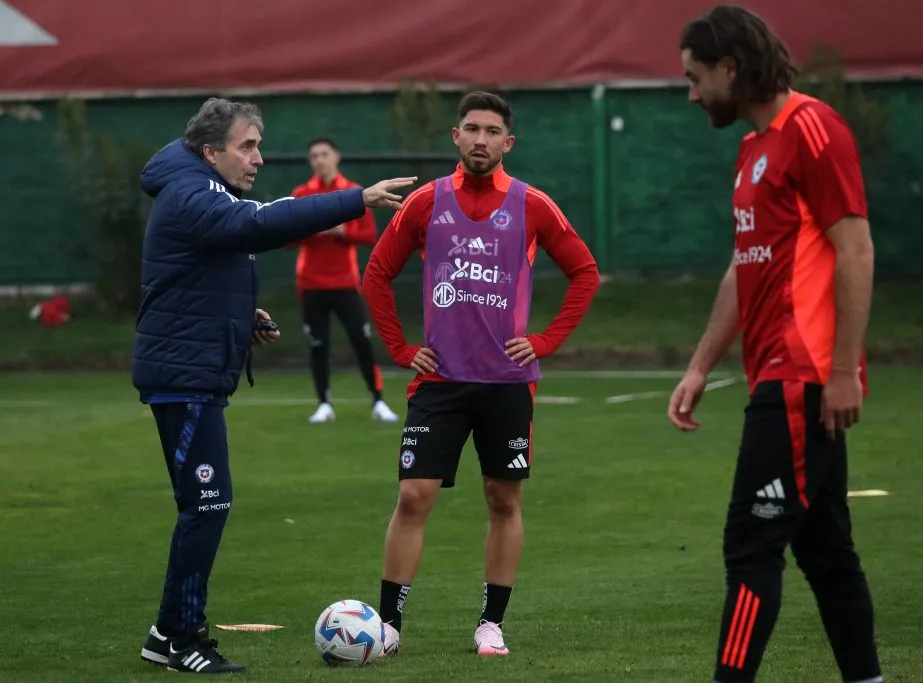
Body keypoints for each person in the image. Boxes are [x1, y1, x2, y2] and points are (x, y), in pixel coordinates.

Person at [132, 96, 414, 675]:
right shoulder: (192, 192)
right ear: (211, 151)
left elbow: (205, 268)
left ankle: (170, 632)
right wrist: (353, 199)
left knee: (207, 505)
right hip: (182, 379)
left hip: (195, 372)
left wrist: (242, 317)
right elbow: (257, 226)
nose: (258, 157)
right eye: (248, 146)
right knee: (206, 505)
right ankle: (178, 636)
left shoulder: (197, 186)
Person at [667, 7, 883, 683]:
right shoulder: (751, 148)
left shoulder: (813, 128)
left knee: (750, 546)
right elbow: (746, 264)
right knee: (826, 551)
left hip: (803, 376)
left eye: (695, 77)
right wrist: (701, 364)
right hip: (777, 375)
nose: (692, 93)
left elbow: (855, 250)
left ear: (731, 67)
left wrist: (844, 369)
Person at [361, 91, 601, 657]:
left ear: (507, 143)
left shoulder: (533, 205)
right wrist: (399, 348)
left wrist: (543, 342)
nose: (480, 140)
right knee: (414, 496)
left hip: (507, 385)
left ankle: (491, 623)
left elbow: (585, 273)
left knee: (502, 499)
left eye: (492, 131)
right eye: (471, 128)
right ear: (455, 136)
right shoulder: (424, 202)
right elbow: (376, 273)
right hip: (440, 381)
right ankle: (389, 624)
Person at [288, 138, 400, 425]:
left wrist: (342, 232)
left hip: (345, 283)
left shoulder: (353, 193)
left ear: (336, 157)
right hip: (311, 284)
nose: (319, 160)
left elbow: (368, 236)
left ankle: (378, 401)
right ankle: (324, 403)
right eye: (314, 155)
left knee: (362, 342)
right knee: (318, 345)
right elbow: (285, 237)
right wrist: (314, 227)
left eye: (324, 154)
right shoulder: (301, 194)